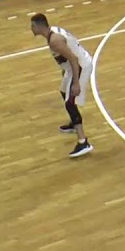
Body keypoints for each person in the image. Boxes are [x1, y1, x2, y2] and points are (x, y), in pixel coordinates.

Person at [30, 13, 94, 158]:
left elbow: (73, 58)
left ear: (39, 26)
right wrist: (65, 71)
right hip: (73, 67)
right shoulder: (53, 32)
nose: (31, 29)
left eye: (32, 26)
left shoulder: (55, 40)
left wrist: (76, 83)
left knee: (70, 103)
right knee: (63, 90)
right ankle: (74, 122)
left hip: (80, 66)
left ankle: (83, 142)